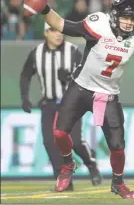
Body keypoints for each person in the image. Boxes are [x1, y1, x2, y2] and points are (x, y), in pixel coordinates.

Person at [25, 0, 134, 199]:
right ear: (115, 16)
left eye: (132, 18)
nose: (129, 22)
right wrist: (44, 8)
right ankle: (67, 164)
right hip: (81, 88)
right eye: (125, 17)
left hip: (108, 95)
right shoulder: (98, 25)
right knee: (59, 133)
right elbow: (62, 25)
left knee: (118, 146)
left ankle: (118, 183)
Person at [20, 23, 102, 191]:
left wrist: (71, 77)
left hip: (71, 103)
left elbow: (89, 74)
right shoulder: (37, 53)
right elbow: (25, 75)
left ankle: (91, 164)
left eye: (60, 31)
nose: (58, 34)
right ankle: (64, 180)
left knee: (76, 142)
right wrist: (25, 98)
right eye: (53, 31)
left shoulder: (72, 51)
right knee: (50, 143)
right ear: (46, 32)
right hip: (49, 104)